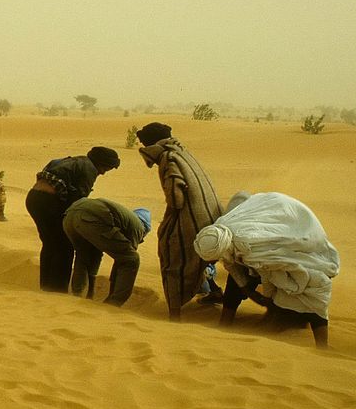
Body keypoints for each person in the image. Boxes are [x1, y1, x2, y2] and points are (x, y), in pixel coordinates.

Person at [194, 191, 340, 348]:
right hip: (272, 214)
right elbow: (230, 263)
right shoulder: (220, 231)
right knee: (238, 278)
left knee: (310, 285)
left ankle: (322, 345)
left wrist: (267, 298)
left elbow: (267, 272)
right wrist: (247, 289)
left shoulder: (250, 245)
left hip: (298, 228)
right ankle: (225, 324)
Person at [136, 122, 223, 321]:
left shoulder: (168, 158)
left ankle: (174, 313)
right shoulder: (182, 152)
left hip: (194, 219)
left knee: (172, 255)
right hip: (213, 218)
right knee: (198, 257)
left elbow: (176, 197)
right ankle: (212, 291)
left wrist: (170, 218)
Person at [25, 146, 121, 292]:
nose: (103, 173)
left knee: (50, 243)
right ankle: (57, 290)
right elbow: (79, 201)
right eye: (105, 168)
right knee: (65, 245)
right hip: (49, 201)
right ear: (100, 163)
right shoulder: (89, 168)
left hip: (33, 199)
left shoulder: (71, 161)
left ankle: (45, 286)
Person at [62, 198, 151, 306]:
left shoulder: (125, 217)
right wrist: (113, 294)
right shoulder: (138, 226)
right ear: (145, 229)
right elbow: (124, 260)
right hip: (92, 217)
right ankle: (114, 303)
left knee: (85, 254)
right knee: (132, 259)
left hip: (70, 215)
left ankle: (78, 294)